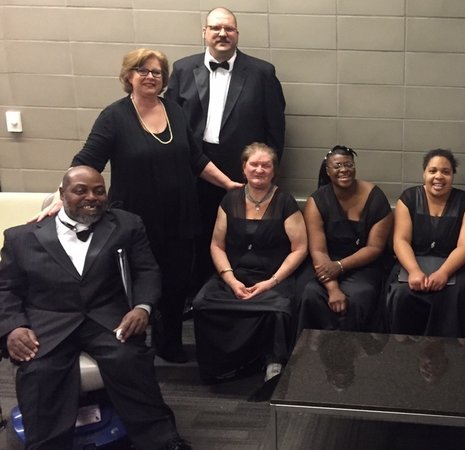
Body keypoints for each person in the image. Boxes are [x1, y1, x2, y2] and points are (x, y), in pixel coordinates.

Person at [38, 48, 239, 363]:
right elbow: (86, 162)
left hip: (180, 216)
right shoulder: (114, 117)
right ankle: (132, 348)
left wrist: (229, 184)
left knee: (176, 283)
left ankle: (169, 341)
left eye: (156, 72)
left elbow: (196, 159)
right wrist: (59, 199)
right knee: (134, 287)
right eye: (143, 70)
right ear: (128, 76)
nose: (150, 77)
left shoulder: (175, 110)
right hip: (135, 221)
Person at [0, 166, 190, 450]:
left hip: (108, 318)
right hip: (48, 323)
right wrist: (14, 326)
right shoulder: (21, 237)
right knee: (41, 371)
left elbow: (147, 271)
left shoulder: (126, 225)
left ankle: (162, 441)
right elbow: (6, 288)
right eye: (81, 190)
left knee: (129, 360)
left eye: (99, 191)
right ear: (62, 194)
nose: (92, 197)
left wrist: (142, 307)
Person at [166, 7, 287, 288]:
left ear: (237, 34)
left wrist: (266, 173)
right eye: (216, 28)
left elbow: (275, 130)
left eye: (229, 29)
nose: (222, 33)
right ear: (204, 33)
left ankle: (232, 290)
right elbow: (170, 121)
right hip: (193, 169)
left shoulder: (262, 73)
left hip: (241, 171)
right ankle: (195, 295)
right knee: (195, 233)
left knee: (237, 235)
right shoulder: (182, 69)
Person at [192, 143, 307, 386]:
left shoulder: (285, 202)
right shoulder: (229, 199)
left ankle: (273, 361)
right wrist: (231, 279)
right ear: (244, 168)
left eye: (266, 165)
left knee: (279, 309)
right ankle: (223, 364)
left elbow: (300, 248)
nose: (259, 169)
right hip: (233, 274)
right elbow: (216, 245)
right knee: (202, 303)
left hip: (274, 276)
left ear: (274, 171)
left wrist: (272, 282)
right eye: (254, 164)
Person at [385, 149, 465, 338]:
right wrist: (414, 271)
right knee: (401, 292)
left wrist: (443, 273)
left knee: (460, 293)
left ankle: (450, 349)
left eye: (445, 172)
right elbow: (401, 240)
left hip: (455, 266)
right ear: (424, 173)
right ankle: (403, 350)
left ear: (453, 175)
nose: (439, 176)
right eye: (433, 171)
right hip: (412, 263)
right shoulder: (408, 199)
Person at [298, 145, 393, 332]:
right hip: (325, 264)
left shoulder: (375, 197)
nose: (344, 170)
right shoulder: (317, 201)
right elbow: (318, 250)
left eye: (348, 164)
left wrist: (340, 266)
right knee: (311, 294)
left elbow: (375, 247)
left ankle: (351, 355)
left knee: (359, 297)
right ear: (327, 170)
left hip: (364, 265)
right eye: (338, 166)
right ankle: (309, 355)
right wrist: (332, 288)